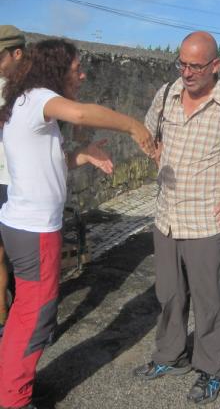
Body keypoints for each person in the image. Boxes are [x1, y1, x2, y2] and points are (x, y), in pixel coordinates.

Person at [0, 38, 155, 409]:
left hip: (25, 225)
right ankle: (13, 399)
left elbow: (46, 163)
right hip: (35, 230)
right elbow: (83, 114)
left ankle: (11, 386)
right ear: (56, 70)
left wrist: (83, 155)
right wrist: (134, 125)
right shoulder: (37, 97)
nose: (82, 75)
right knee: (35, 318)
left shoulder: (26, 102)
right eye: (76, 69)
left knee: (25, 314)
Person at [133, 31, 220, 404]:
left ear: (215, 65)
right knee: (169, 295)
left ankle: (213, 370)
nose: (187, 72)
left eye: (195, 65)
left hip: (206, 220)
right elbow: (149, 134)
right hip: (166, 217)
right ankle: (171, 356)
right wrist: (154, 149)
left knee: (209, 301)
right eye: (181, 63)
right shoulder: (166, 95)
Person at [0, 25, 25, 336]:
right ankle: (3, 316)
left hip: (18, 181)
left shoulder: (30, 91)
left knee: (23, 255)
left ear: (16, 53)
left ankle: (33, 318)